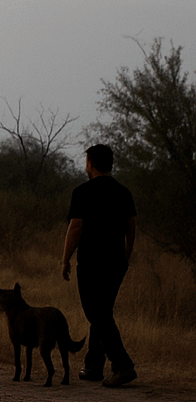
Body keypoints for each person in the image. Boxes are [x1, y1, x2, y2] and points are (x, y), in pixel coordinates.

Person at [61, 144, 137, 388]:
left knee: (97, 313)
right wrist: (126, 255)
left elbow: (76, 227)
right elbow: (131, 226)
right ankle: (93, 366)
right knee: (102, 312)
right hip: (116, 262)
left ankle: (122, 365)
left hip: (92, 263)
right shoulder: (123, 192)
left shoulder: (82, 192)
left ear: (91, 163)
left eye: (86, 161)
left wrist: (65, 259)